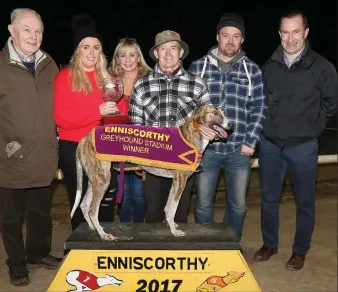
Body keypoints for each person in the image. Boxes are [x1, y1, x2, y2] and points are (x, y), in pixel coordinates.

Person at [0, 8, 62, 286]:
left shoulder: (49, 63)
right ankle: (16, 263)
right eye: (26, 29)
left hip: (43, 156)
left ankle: (38, 253)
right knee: (11, 218)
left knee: (41, 213)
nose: (34, 35)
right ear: (11, 30)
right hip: (9, 158)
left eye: (38, 30)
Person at [254, 10, 338, 271]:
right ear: (280, 34)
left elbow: (332, 104)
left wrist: (312, 128)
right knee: (268, 199)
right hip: (270, 146)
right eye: (286, 32)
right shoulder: (268, 67)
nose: (291, 38)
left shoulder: (322, 67)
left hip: (303, 146)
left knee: (305, 202)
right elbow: (260, 103)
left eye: (296, 31)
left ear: (306, 32)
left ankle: (300, 250)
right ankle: (270, 244)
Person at [188, 13, 266, 244]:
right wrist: (196, 128)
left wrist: (251, 141)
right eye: (225, 35)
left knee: (238, 205)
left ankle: (231, 247)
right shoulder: (198, 67)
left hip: (239, 150)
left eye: (236, 36)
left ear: (242, 40)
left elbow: (259, 107)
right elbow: (188, 106)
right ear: (217, 37)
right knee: (202, 202)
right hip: (206, 150)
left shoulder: (252, 70)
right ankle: (207, 247)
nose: (230, 41)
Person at [128, 30, 217, 223]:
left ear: (181, 53)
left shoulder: (197, 84)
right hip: (154, 162)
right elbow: (136, 125)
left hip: (184, 161)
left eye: (173, 48)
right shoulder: (142, 85)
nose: (168, 54)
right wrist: (140, 157)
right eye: (163, 49)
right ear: (157, 54)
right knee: (152, 214)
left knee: (180, 214)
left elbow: (208, 121)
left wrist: (205, 141)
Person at [54, 14, 127, 231]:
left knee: (106, 194)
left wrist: (119, 111)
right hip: (74, 146)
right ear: (77, 51)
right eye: (86, 47)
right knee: (81, 195)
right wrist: (97, 112)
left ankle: (103, 240)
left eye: (96, 47)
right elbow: (61, 119)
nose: (91, 52)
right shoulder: (65, 77)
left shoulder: (109, 79)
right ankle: (80, 244)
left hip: (103, 145)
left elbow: (121, 112)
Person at [108, 38, 152, 223]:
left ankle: (140, 232)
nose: (127, 60)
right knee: (123, 194)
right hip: (118, 146)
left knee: (139, 193)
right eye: (123, 55)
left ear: (138, 58)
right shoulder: (109, 81)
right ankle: (124, 231)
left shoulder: (150, 79)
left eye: (132, 55)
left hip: (143, 143)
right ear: (117, 58)